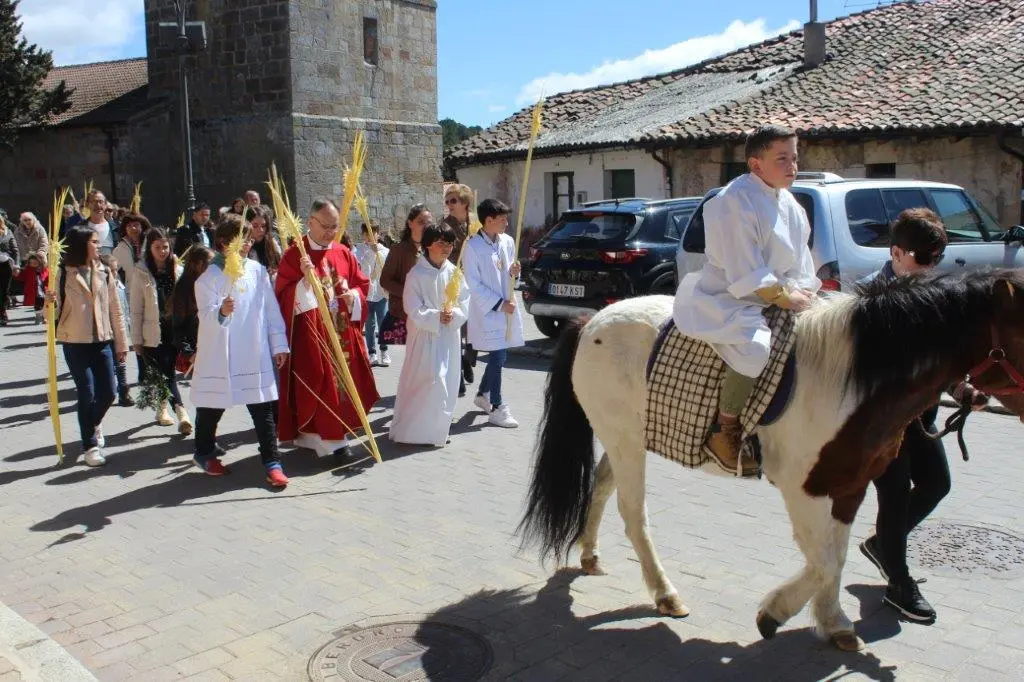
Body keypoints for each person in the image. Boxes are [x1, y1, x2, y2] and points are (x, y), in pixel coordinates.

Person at [857, 208, 988, 624]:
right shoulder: (869, 297)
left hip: (921, 418)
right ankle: (899, 584)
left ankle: (882, 546)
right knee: (894, 496)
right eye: (924, 258)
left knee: (937, 484)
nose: (932, 267)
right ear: (896, 253)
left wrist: (963, 390)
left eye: (937, 258)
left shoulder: (935, 296)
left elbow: (945, 363)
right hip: (883, 424)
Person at [673, 124, 821, 477]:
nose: (792, 165)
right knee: (754, 349)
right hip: (729, 297)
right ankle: (725, 428)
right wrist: (785, 298)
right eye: (782, 158)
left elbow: (801, 261)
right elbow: (745, 271)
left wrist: (805, 292)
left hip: (781, 292)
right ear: (756, 164)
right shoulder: (734, 201)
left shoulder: (791, 205)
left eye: (794, 157)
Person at [190, 215, 290, 486]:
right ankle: (203, 452)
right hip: (222, 355)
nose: (248, 243)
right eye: (242, 239)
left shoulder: (257, 271)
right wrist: (221, 312)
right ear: (224, 243)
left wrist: (279, 343)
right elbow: (205, 317)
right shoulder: (208, 279)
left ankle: (272, 462)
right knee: (212, 406)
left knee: (263, 407)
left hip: (253, 351)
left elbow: (270, 309)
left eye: (249, 239)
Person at [275, 199, 379, 458]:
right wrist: (303, 282)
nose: (331, 232)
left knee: (345, 385)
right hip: (312, 337)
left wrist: (353, 296)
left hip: (343, 333)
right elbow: (282, 296)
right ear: (310, 222)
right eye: (326, 226)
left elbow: (361, 285)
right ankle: (327, 440)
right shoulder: (294, 256)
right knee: (320, 384)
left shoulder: (343, 252)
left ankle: (339, 435)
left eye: (335, 226)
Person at [45, 226, 129, 467]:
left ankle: (91, 424)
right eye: (94, 241)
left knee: (109, 393)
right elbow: (51, 315)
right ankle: (90, 445)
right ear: (82, 245)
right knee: (87, 391)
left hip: (103, 341)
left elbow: (116, 310)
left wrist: (122, 343)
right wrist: (48, 303)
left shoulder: (104, 270)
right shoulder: (63, 273)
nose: (98, 245)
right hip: (74, 342)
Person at [390, 222, 470, 446]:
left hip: (448, 336)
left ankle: (437, 430)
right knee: (429, 380)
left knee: (447, 381)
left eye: (450, 244)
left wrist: (453, 314)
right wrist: (435, 316)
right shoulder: (416, 274)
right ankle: (413, 431)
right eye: (440, 243)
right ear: (427, 245)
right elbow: (412, 306)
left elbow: (464, 300)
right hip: (424, 336)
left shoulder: (454, 273)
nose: (446, 248)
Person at [461, 198, 524, 428]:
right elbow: (472, 283)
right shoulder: (472, 247)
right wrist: (498, 304)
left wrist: (515, 271)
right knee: (497, 357)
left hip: (507, 307)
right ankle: (497, 407)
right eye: (502, 219)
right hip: (487, 311)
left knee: (500, 356)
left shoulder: (507, 241)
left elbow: (509, 273)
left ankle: (482, 394)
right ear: (488, 220)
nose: (507, 223)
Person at [131, 227, 191, 433]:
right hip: (151, 332)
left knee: (167, 372)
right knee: (165, 374)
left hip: (173, 330)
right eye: (157, 247)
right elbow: (136, 309)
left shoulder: (178, 269)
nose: (162, 251)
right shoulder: (141, 271)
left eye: (165, 247)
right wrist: (136, 340)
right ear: (150, 248)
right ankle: (182, 413)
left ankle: (162, 408)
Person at [379, 204, 433, 363]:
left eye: (428, 222)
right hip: (406, 315)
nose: (426, 226)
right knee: (414, 363)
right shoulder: (398, 250)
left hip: (429, 314)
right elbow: (385, 280)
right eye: (421, 222)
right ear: (410, 223)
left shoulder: (432, 249)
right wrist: (409, 292)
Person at [443, 183, 477, 394]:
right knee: (457, 330)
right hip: (454, 283)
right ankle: (458, 378)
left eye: (453, 200)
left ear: (464, 202)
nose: (449, 204)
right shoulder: (445, 226)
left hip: (475, 282)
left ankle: (467, 359)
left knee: (474, 330)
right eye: (447, 201)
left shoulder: (476, 222)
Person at [171, 246, 214, 375]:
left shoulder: (211, 283)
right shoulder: (184, 288)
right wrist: (190, 353)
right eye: (210, 262)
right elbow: (178, 327)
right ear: (198, 264)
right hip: (197, 351)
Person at [99, 254, 135, 406]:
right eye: (111, 270)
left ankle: (123, 391)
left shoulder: (119, 285)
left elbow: (124, 309)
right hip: (108, 332)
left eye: (116, 270)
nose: (115, 273)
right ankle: (113, 389)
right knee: (113, 364)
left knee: (121, 363)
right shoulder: (103, 287)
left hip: (120, 330)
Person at [353, 222, 390, 366]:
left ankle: (384, 351)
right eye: (365, 233)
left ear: (378, 234)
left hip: (380, 292)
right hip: (366, 294)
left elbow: (388, 269)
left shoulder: (385, 251)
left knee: (383, 322)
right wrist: (370, 252)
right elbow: (360, 266)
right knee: (369, 325)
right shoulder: (358, 250)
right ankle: (372, 352)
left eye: (372, 233)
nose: (368, 236)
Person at [66, 190, 120, 256]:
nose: (98, 205)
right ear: (87, 205)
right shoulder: (80, 228)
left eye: (101, 201)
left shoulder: (115, 227)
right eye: (93, 202)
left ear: (105, 204)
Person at [247, 205, 282, 278]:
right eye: (255, 226)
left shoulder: (272, 243)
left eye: (263, 226)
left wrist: (276, 271)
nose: (260, 230)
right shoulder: (241, 246)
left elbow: (281, 265)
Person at [15, 254, 48, 324]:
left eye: (35, 263)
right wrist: (17, 274)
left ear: (39, 262)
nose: (33, 264)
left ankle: (43, 316)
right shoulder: (27, 270)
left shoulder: (44, 270)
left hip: (42, 291)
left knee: (44, 304)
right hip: (33, 292)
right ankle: (38, 316)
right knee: (37, 305)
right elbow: (22, 277)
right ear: (29, 263)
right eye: (31, 263)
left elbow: (47, 278)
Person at [0, 216, 18, 325]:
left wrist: (16, 265)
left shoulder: (8, 232)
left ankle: (3, 312)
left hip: (5, 264)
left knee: (4, 291)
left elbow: (15, 250)